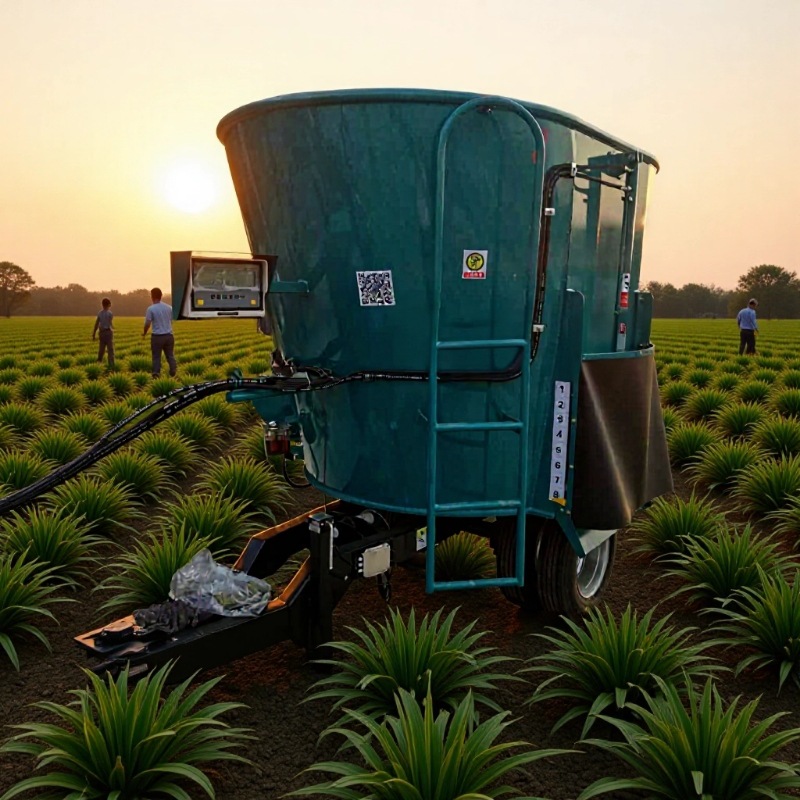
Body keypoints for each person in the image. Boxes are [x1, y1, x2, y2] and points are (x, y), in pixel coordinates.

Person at [143, 287, 177, 378]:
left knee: (156, 356)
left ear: (152, 296)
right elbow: (171, 320)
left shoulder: (151, 309)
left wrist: (144, 332)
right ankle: (173, 369)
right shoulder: (169, 308)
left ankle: (156, 373)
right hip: (169, 335)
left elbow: (147, 323)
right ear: (161, 296)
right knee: (170, 354)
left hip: (157, 337)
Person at [92, 297, 115, 367]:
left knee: (101, 350)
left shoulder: (100, 313)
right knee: (110, 350)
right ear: (109, 305)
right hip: (108, 333)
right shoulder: (110, 313)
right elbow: (110, 323)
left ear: (102, 305)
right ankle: (111, 365)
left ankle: (99, 363)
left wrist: (93, 334)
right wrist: (113, 328)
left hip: (101, 333)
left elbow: (96, 324)